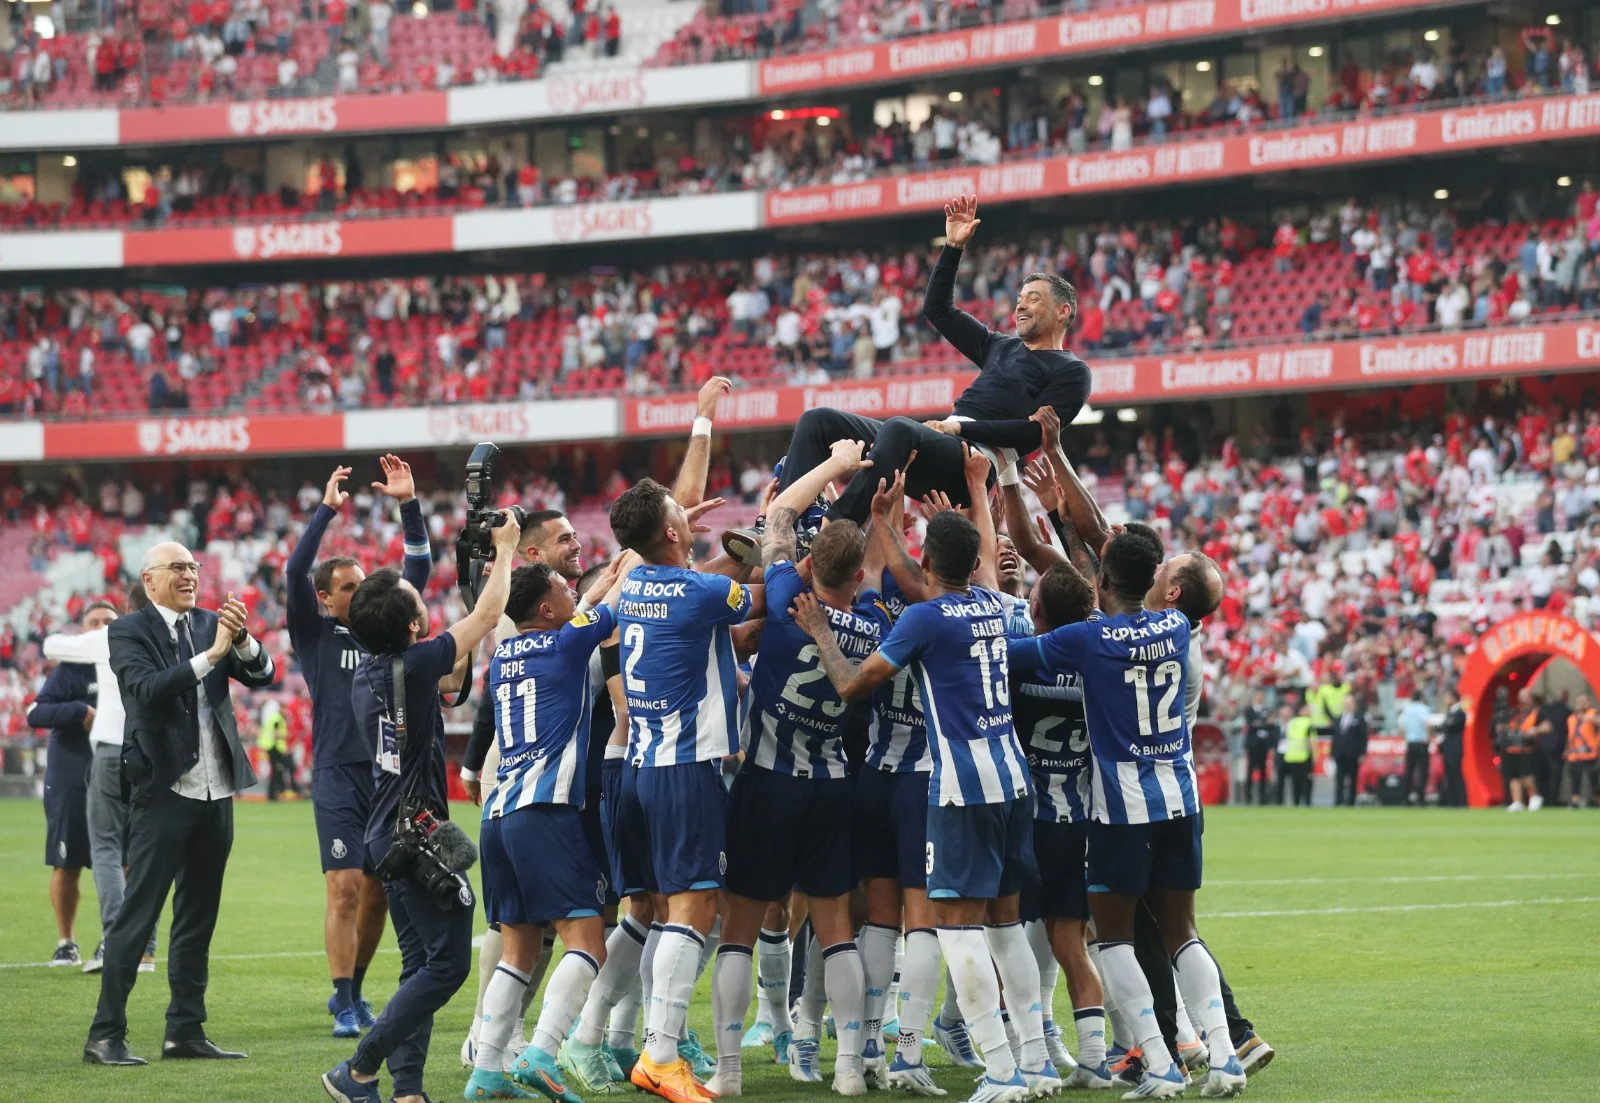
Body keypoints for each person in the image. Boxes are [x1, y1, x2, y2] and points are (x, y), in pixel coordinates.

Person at [795, 467, 1062, 1103]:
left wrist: (823, 636)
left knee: (954, 927)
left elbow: (852, 684)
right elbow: (966, 571)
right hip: (1013, 782)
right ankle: (1036, 1063)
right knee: (1005, 924)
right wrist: (970, 496)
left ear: (928, 562)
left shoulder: (922, 620)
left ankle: (999, 1073)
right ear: (975, 559)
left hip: (955, 785)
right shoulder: (1001, 605)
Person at [1007, 529, 1246, 1099]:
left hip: (1121, 810)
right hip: (1180, 801)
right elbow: (1132, 587)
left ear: (1102, 582)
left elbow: (1007, 656)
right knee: (1181, 932)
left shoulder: (1087, 640)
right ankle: (1224, 1055)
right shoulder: (1177, 625)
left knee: (1114, 939)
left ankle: (1161, 1066)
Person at [723, 195, 1090, 562]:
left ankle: (833, 532)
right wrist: (952, 248)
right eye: (1020, 298)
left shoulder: (1071, 371)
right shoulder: (1000, 346)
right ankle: (788, 530)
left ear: (1063, 311)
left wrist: (959, 430)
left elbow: (1034, 433)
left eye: (1034, 299)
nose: (1021, 305)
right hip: (936, 445)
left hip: (973, 464)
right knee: (819, 421)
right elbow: (938, 310)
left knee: (898, 428)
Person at [319, 508, 519, 1103]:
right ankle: (356, 1068)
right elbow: (486, 617)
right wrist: (504, 550)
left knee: (417, 966)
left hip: (386, 832)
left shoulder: (375, 673)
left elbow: (452, 669)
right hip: (417, 836)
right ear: (412, 625)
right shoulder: (414, 663)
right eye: (416, 598)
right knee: (449, 966)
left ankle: (406, 1089)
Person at [712, 440, 882, 1097]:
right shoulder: (869, 629)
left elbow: (780, 511)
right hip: (831, 784)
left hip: (766, 782)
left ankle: (728, 1072)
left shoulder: (786, 600)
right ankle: (846, 1066)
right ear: (859, 577)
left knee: (741, 929)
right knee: (836, 927)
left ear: (810, 567)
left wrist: (837, 465)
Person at [86, 544, 275, 1066]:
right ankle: (105, 1036)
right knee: (137, 916)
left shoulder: (212, 623)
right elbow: (146, 690)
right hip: (164, 792)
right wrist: (213, 654)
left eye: (193, 567)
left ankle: (185, 1032)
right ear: (150, 580)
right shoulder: (128, 631)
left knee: (197, 918)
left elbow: (264, 675)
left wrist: (244, 640)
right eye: (178, 567)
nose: (189, 574)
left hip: (216, 793)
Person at [607, 476, 763, 1103]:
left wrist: (687, 539)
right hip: (685, 766)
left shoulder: (635, 584)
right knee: (695, 905)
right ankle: (660, 1053)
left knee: (677, 910)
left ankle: (651, 1043)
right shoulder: (698, 591)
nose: (687, 512)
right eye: (679, 512)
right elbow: (763, 594)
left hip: (646, 765)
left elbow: (692, 587)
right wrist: (784, 544)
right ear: (672, 532)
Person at [468, 558, 629, 1100]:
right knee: (588, 942)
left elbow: (584, 608)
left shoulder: (502, 654)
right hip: (544, 812)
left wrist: (593, 588)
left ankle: (486, 1071)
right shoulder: (566, 645)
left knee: (519, 952)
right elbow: (606, 611)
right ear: (545, 608)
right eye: (564, 588)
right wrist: (628, 564)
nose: (571, 591)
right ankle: (541, 1052)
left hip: (498, 817)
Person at [286, 456, 432, 1038]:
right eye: (347, 586)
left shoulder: (387, 623)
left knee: (377, 893)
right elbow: (297, 568)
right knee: (345, 888)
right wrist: (327, 509)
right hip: (337, 773)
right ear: (326, 598)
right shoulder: (313, 632)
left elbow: (417, 563)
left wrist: (409, 504)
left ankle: (354, 988)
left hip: (386, 773)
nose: (360, 588)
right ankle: (344, 1001)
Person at [1009, 561, 1112, 1088]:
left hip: (1026, 822)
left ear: (1038, 610)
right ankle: (1093, 1059)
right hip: (1078, 820)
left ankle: (1027, 1058)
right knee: (1070, 943)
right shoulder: (1099, 659)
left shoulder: (1022, 663)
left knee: (1010, 941)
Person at [45, 587, 152, 974]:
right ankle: (146, 948)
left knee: (106, 850)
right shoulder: (176, 636)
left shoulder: (111, 638)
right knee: (142, 853)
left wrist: (88, 636)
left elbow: (51, 646)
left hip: (110, 750)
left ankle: (116, 945)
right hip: (151, 754)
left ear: (125, 611)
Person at [29, 602, 116, 967]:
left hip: (114, 775)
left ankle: (113, 939)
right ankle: (66, 942)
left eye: (108, 622)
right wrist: (80, 711)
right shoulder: (70, 669)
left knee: (120, 861)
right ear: (82, 630)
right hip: (70, 777)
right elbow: (37, 713)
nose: (100, 627)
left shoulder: (125, 665)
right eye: (93, 622)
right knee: (66, 863)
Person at [1500, 689, 1542, 811]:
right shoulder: (1515, 713)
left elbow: (1547, 726)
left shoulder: (1537, 713)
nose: (1522, 700)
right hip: (1512, 748)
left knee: (1526, 775)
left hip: (1526, 749)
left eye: (1524, 697)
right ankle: (1517, 801)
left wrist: (1536, 730)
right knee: (1514, 776)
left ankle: (1535, 796)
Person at [1331, 696, 1368, 807]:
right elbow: (1335, 737)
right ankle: (1338, 801)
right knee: (1339, 779)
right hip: (1340, 753)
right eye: (1346, 703)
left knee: (1352, 778)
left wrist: (1362, 753)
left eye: (1349, 703)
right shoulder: (1338, 719)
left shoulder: (1359, 719)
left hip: (1353, 753)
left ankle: (1351, 802)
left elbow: (1363, 737)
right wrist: (1332, 752)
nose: (1347, 706)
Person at [1563, 694, 1599, 808]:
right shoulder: (1572, 718)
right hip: (1575, 753)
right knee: (1575, 778)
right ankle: (1575, 800)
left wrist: (1591, 719)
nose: (1582, 704)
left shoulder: (1593, 714)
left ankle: (1596, 798)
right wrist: (1567, 750)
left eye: (1585, 701)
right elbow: (1570, 736)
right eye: (1580, 702)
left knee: (1595, 778)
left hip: (1591, 753)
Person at [1397, 695, 1432, 805]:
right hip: (1421, 743)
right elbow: (1428, 724)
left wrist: (1406, 738)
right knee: (1423, 771)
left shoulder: (1407, 710)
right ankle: (1421, 797)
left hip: (1411, 743)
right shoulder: (1425, 709)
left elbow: (1402, 727)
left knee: (1409, 772)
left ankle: (1405, 797)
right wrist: (1429, 737)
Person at [1281, 700, 1314, 807]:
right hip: (1304, 756)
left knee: (1295, 784)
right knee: (1307, 783)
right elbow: (1310, 741)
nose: (1309, 711)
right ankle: (1307, 804)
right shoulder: (1307, 722)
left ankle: (1295, 804)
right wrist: (1313, 756)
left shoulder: (1292, 722)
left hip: (1291, 756)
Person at [1437, 694, 1467, 807]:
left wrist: (1443, 726)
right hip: (1448, 748)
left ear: (1454, 698)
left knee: (1456, 775)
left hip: (1454, 749)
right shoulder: (1450, 712)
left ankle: (1461, 801)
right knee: (1449, 775)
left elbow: (1448, 726)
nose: (1445, 699)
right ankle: (1452, 801)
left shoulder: (1459, 713)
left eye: (1447, 697)